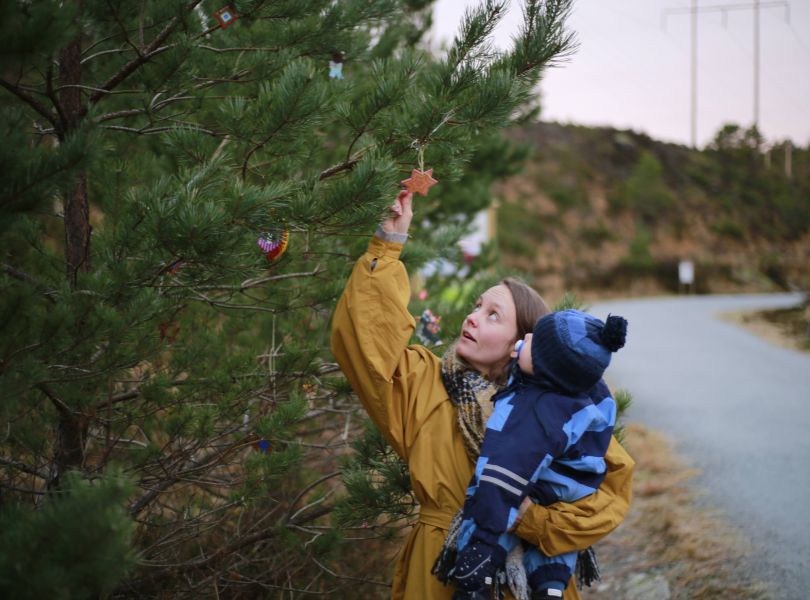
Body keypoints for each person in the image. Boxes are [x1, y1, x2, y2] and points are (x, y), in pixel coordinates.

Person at [330, 190, 635, 600]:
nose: (472, 317)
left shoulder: (563, 409)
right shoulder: (427, 382)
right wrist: (388, 244)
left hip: (529, 578)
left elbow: (608, 493)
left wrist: (530, 520)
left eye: (493, 315)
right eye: (476, 306)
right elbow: (366, 340)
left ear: (522, 341)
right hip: (442, 573)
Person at [442, 309, 627, 600]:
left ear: (546, 368)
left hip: (521, 502)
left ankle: (479, 580)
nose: (524, 338)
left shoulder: (534, 409)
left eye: (494, 314)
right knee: (550, 569)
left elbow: (503, 477)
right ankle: (551, 584)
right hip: (568, 499)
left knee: (493, 511)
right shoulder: (584, 389)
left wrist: (480, 545)